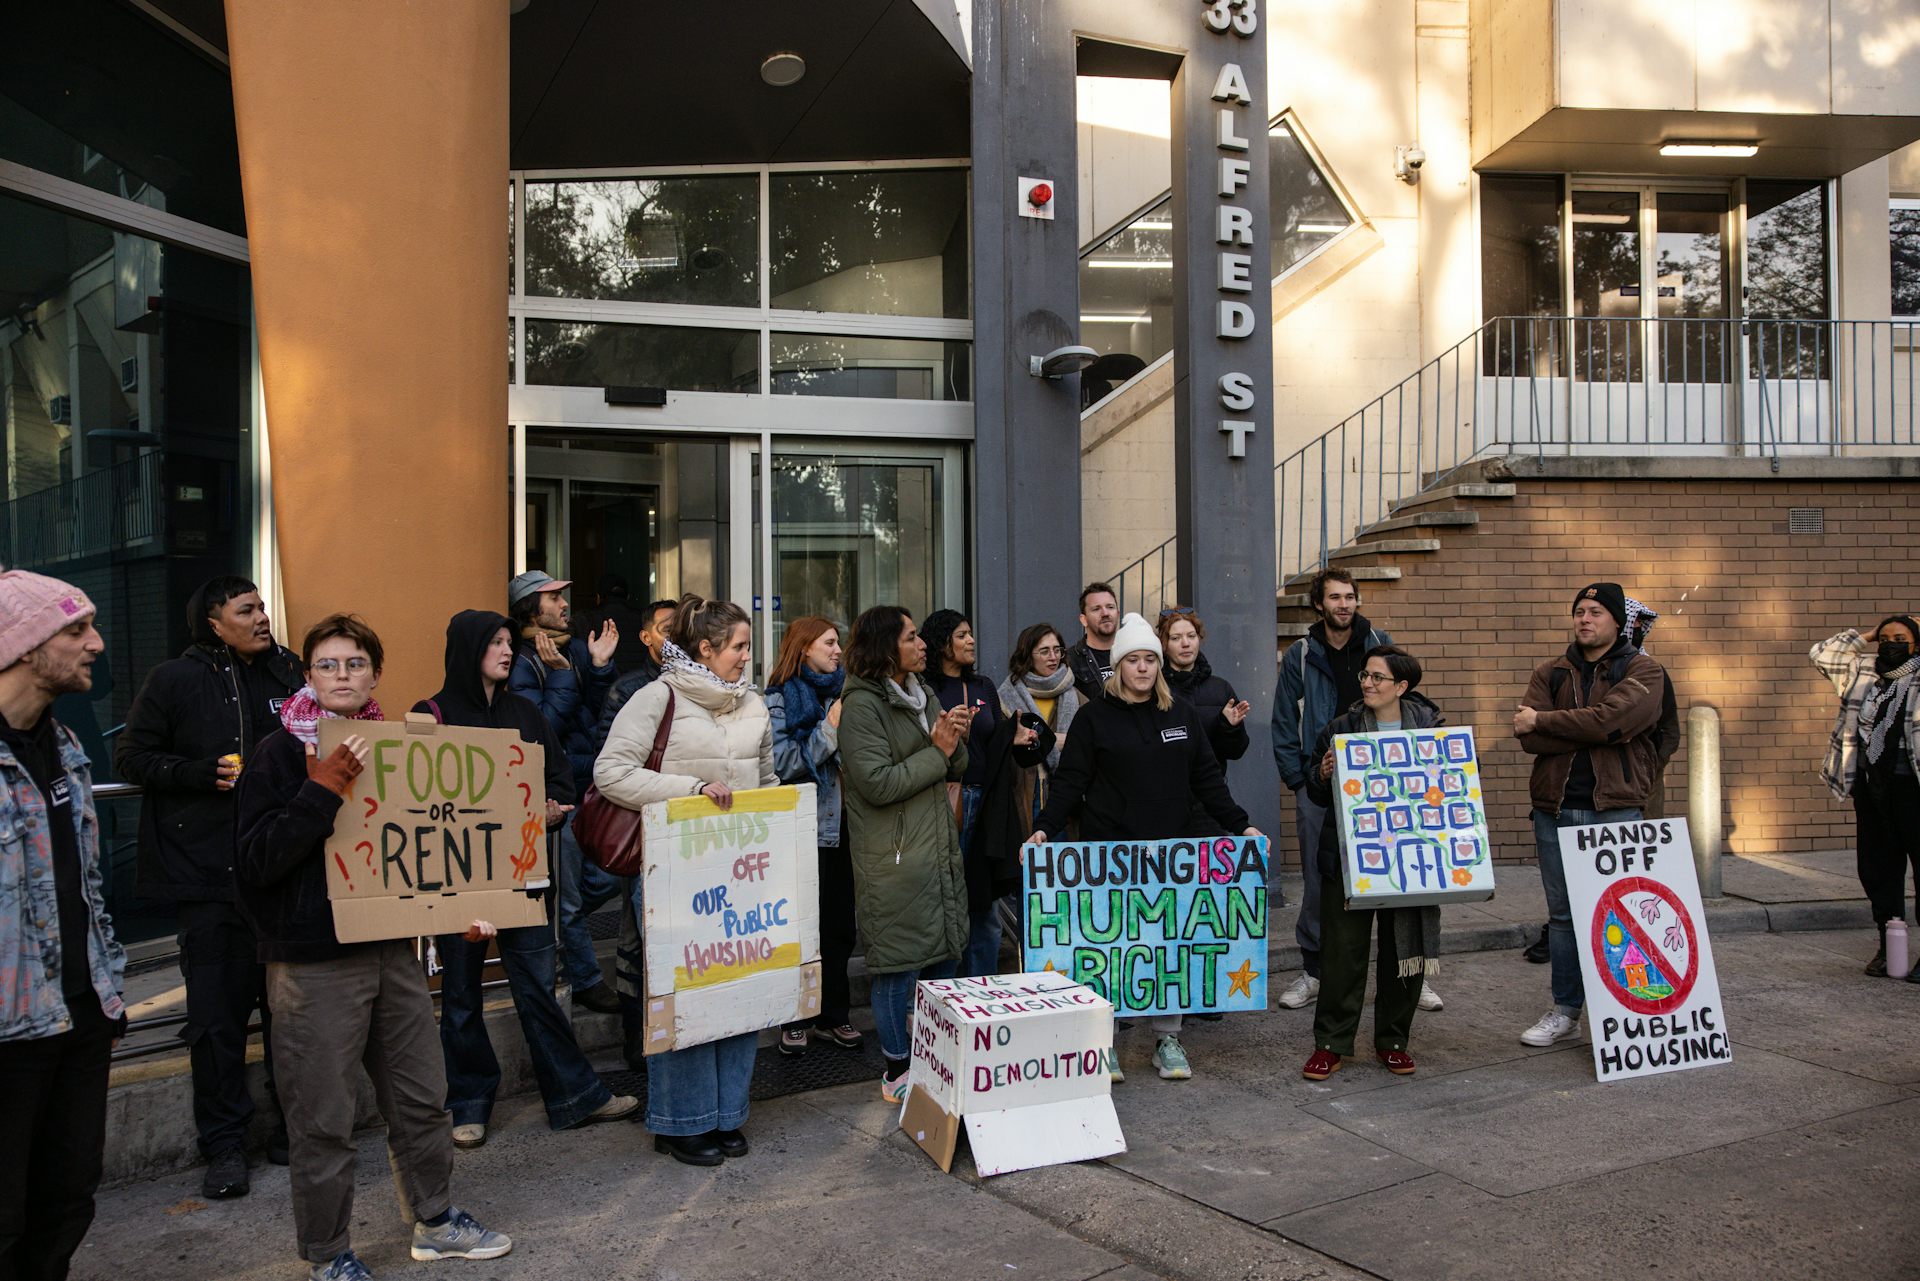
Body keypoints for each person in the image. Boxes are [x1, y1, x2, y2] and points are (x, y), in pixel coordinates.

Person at [235, 614, 511, 1281]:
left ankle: (436, 1219)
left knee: (422, 1098)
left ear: (375, 673)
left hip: (393, 951)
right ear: (307, 675)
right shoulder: (275, 754)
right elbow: (256, 860)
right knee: (323, 1120)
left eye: (354, 663)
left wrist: (470, 909)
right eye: (327, 665)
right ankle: (329, 1254)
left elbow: (433, 847)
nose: (341, 676)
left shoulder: (401, 748)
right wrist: (321, 787)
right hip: (310, 964)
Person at [416, 611, 638, 1148]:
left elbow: (560, 776)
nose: (505, 650)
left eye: (507, 642)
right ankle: (467, 1103)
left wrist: (554, 808)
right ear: (466, 650)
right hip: (460, 884)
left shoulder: (524, 713)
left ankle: (574, 1096)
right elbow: (420, 800)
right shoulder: (431, 715)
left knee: (537, 987)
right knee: (463, 994)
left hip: (525, 874)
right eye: (493, 643)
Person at [116, 575, 299, 1197]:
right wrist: (198, 774)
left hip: (279, 875)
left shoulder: (290, 672)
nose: (261, 617)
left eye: (262, 606)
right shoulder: (175, 679)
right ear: (214, 622)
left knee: (288, 1015)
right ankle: (224, 1148)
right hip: (208, 878)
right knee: (216, 1022)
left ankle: (291, 1133)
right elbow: (132, 758)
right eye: (246, 610)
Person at [1028, 612, 1261, 1083]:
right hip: (1111, 853)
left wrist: (1241, 826)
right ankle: (1105, 1042)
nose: (1142, 668)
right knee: (1113, 948)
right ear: (1117, 666)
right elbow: (1071, 782)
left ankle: (1167, 1040)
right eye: (1132, 660)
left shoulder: (1180, 716)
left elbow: (1207, 779)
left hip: (1167, 857)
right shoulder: (1094, 718)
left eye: (1149, 660)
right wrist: (1043, 829)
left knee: (1165, 948)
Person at [595, 597, 776, 1166]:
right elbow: (611, 773)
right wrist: (690, 793)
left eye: (749, 647)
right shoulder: (657, 698)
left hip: (742, 870)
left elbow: (767, 779)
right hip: (674, 870)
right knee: (684, 994)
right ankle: (680, 1122)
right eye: (740, 647)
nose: (748, 658)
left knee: (737, 990)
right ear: (705, 648)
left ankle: (726, 1115)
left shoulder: (755, 706)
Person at [0, 570, 125, 1281]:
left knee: (66, 1200)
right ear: (22, 646)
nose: (96, 643)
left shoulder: (67, 749)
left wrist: (106, 986)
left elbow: (86, 885)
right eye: (76, 629)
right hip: (6, 1030)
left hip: (78, 1015)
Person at [1512, 582, 1667, 1048]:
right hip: (1554, 811)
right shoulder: (1550, 671)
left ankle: (1622, 1013)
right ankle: (1565, 1011)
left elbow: (1614, 722)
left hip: (1615, 812)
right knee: (1563, 918)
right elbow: (1529, 737)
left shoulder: (1644, 670)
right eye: (1579, 610)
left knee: (1621, 911)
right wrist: (1592, 727)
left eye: (1596, 611)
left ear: (1617, 620)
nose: (1585, 619)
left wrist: (1548, 720)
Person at [837, 606, 972, 1103]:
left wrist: (954, 736)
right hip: (891, 858)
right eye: (912, 637)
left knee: (940, 960)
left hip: (934, 847)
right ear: (885, 647)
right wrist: (936, 751)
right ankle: (896, 1068)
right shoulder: (862, 706)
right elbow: (876, 783)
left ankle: (935, 1059)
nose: (922, 645)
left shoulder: (924, 693)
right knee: (896, 967)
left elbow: (956, 764)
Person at [1299, 646, 1443, 1080]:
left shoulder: (1431, 727)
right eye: (1366, 675)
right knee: (1343, 954)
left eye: (1378, 677)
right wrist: (1323, 773)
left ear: (1401, 686)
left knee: (1404, 951)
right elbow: (1315, 790)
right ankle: (1331, 1044)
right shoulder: (1340, 728)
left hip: (1410, 858)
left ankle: (1393, 1041)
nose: (1367, 683)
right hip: (1349, 859)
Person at [1272, 569, 1394, 1011]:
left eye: (1350, 597)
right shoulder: (1302, 654)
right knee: (1319, 880)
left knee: (1389, 879)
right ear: (1319, 604)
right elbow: (1284, 719)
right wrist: (1300, 780)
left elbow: (1406, 702)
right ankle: (1315, 971)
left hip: (1378, 783)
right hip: (1319, 783)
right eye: (1335, 598)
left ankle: (1403, 972)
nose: (1343, 605)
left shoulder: (1379, 643)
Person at [507, 570, 622, 1015]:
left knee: (606, 878)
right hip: (556, 794)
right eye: (552, 597)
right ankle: (586, 977)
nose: (562, 604)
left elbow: (595, 711)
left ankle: (557, 934)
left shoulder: (571, 648)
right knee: (571, 895)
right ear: (530, 609)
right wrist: (562, 677)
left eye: (561, 596)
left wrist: (597, 668)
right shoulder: (521, 659)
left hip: (587, 783)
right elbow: (541, 733)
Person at [920, 610, 1051, 978]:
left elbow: (995, 740)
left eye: (971, 634)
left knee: (986, 902)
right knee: (946, 902)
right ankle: (942, 994)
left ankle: (984, 991)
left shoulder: (984, 687)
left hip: (988, 803)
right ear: (942, 643)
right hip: (945, 801)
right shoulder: (926, 691)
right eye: (962, 635)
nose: (971, 641)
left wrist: (1015, 736)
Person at [765, 618, 863, 1055]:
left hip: (845, 826)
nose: (838, 650)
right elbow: (784, 763)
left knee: (840, 925)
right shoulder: (779, 698)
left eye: (839, 643)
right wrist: (830, 729)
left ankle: (834, 1015)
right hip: (802, 827)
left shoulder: (847, 693)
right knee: (801, 926)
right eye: (828, 642)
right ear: (803, 648)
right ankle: (796, 1016)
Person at [1812, 614, 1920, 979]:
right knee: (1878, 869)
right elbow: (1824, 656)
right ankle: (1889, 945)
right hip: (1872, 788)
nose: (1891, 643)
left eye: (1900, 637)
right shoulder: (1864, 673)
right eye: (1885, 638)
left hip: (1913, 791)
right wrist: (1868, 635)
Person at [998, 623, 1080, 828]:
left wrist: (1066, 742)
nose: (1053, 657)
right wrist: (1053, 741)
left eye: (1057, 650)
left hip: (1064, 797)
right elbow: (999, 746)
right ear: (1028, 655)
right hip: (1021, 793)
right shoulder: (1005, 698)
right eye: (1044, 651)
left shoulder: (1077, 696)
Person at [1156, 607, 1251, 772]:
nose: (1185, 643)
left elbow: (1236, 752)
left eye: (1191, 636)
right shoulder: (1154, 689)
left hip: (1210, 791)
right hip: (1165, 791)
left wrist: (1229, 727)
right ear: (1164, 643)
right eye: (1176, 638)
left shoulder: (1221, 689)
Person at [592, 597, 680, 750]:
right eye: (668, 630)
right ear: (646, 638)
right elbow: (609, 755)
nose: (677, 637)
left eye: (682, 630)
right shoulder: (626, 690)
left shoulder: (702, 681)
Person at [577, 573, 655, 674]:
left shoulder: (585, 619)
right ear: (628, 596)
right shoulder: (644, 618)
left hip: (604, 682)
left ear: (598, 597)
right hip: (640, 683)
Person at [1065, 582, 1120, 702]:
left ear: (1118, 613)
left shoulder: (1133, 653)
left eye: (1110, 607)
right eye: (1096, 609)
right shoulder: (1070, 661)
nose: (1105, 613)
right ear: (1084, 620)